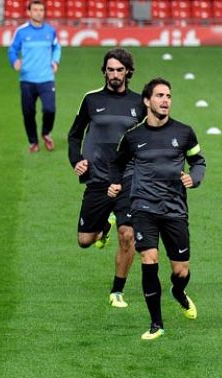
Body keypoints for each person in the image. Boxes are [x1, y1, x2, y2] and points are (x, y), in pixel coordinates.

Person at [108, 78, 205, 340]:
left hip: (174, 209)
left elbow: (198, 161)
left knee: (180, 270)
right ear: (147, 101)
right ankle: (156, 324)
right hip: (143, 208)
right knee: (149, 259)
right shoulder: (133, 137)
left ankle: (178, 291)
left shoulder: (184, 132)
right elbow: (118, 164)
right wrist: (116, 184)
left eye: (169, 96)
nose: (165, 100)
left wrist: (193, 178)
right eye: (160, 95)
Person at [68, 48, 145, 308]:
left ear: (128, 72)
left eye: (119, 70)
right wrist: (76, 160)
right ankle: (104, 226)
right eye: (110, 70)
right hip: (98, 177)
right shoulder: (90, 100)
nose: (114, 75)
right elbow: (74, 135)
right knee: (85, 241)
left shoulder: (139, 103)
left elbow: (149, 138)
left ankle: (117, 291)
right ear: (104, 72)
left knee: (128, 235)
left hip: (129, 179)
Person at [7, 0, 61, 153]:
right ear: (29, 12)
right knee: (28, 113)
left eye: (41, 10)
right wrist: (14, 61)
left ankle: (46, 133)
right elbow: (12, 50)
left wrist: (55, 61)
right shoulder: (21, 32)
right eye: (35, 10)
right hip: (27, 80)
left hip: (46, 78)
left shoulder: (50, 31)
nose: (38, 13)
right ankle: (33, 141)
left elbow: (56, 47)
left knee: (50, 109)